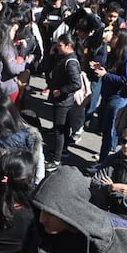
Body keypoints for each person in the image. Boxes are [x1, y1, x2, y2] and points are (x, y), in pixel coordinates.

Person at [91, 29, 127, 164]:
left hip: (118, 97)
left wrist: (105, 75)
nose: (111, 38)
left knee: (110, 131)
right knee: (106, 130)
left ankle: (104, 163)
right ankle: (103, 160)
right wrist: (100, 67)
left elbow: (126, 79)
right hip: (108, 95)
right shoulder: (116, 52)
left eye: (115, 36)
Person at [46, 33, 83, 171]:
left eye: (60, 45)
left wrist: (61, 91)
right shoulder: (64, 57)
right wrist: (51, 55)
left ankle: (56, 160)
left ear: (69, 46)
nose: (57, 47)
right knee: (65, 127)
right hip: (64, 100)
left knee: (59, 130)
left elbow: (76, 84)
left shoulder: (71, 62)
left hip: (63, 101)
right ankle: (63, 150)